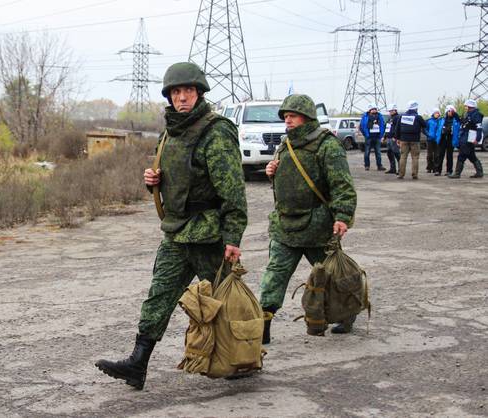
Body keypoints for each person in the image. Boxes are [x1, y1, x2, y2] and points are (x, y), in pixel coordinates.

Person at [94, 62, 248, 390]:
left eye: (188, 91)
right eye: (176, 92)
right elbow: (169, 173)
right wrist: (154, 180)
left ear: (199, 93)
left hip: (210, 234)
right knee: (158, 296)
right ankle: (138, 362)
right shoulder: (170, 132)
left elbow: (233, 191)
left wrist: (233, 236)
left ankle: (246, 353)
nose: (181, 97)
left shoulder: (216, 131)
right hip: (177, 232)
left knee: (225, 300)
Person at [261, 94, 357, 342]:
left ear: (307, 117)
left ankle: (347, 315)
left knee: (334, 277)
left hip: (317, 227)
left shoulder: (327, 145)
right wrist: (273, 171)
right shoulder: (285, 145)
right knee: (274, 277)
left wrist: (343, 216)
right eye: (285, 117)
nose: (287, 121)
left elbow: (342, 186)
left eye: (292, 116)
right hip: (285, 226)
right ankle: (263, 325)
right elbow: (288, 178)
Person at [449, 99, 484, 179]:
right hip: (464, 136)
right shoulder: (467, 114)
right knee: (471, 156)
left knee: (462, 155)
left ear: (470, 106)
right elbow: (462, 121)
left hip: (469, 137)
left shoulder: (476, 115)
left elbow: (479, 127)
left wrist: (477, 138)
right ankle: (479, 172)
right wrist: (455, 114)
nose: (465, 108)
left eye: (466, 106)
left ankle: (457, 173)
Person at [395, 100, 428, 180]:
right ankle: (414, 174)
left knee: (403, 156)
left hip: (403, 139)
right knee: (415, 157)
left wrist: (398, 138)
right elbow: (425, 125)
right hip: (415, 140)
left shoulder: (402, 116)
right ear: (416, 108)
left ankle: (401, 174)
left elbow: (397, 128)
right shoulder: (418, 117)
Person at [434, 105, 460, 176]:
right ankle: (438, 170)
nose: (450, 113)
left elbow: (458, 127)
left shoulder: (456, 120)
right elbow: (438, 129)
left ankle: (449, 171)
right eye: (449, 111)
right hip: (442, 139)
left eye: (451, 111)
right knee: (440, 155)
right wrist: (439, 135)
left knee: (449, 156)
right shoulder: (442, 119)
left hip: (450, 139)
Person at [359, 104, 386, 171]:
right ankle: (367, 165)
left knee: (378, 152)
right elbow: (361, 126)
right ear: (370, 110)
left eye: (375, 109)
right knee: (367, 152)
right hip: (369, 137)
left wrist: (381, 135)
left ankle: (379, 166)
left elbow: (383, 125)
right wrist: (366, 135)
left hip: (377, 137)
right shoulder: (365, 116)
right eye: (372, 109)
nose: (374, 110)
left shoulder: (380, 116)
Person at [383, 104, 401, 174]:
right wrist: (384, 137)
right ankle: (392, 168)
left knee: (397, 154)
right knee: (389, 153)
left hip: (394, 139)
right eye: (389, 111)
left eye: (391, 111)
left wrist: (396, 137)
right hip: (389, 138)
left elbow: (398, 128)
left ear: (395, 110)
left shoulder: (397, 117)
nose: (390, 112)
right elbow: (387, 128)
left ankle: (400, 169)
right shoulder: (389, 118)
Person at [425, 108, 442, 173]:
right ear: (433, 114)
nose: (437, 114)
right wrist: (428, 134)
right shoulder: (428, 121)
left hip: (437, 140)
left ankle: (436, 168)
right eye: (436, 113)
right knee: (429, 155)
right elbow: (425, 129)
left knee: (437, 155)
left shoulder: (440, 121)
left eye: (438, 113)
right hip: (430, 139)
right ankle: (429, 167)